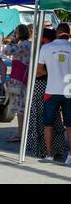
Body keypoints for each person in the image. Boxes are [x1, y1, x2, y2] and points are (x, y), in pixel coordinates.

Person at [27, 28, 66, 159]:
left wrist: (51, 72)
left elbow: (37, 71)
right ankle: (58, 149)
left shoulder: (43, 49)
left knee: (42, 120)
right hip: (58, 87)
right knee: (56, 121)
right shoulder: (45, 48)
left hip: (42, 87)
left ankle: (44, 151)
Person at [37, 23, 71, 165]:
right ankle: (70, 155)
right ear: (68, 33)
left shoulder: (46, 47)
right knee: (70, 125)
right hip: (69, 90)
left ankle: (50, 155)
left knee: (48, 124)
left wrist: (51, 73)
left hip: (51, 90)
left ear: (57, 32)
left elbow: (38, 71)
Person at [4, 24, 31, 142]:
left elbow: (6, 51)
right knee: (25, 107)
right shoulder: (30, 45)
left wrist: (12, 41)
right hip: (27, 77)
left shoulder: (21, 45)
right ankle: (24, 132)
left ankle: (21, 134)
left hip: (19, 80)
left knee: (20, 108)